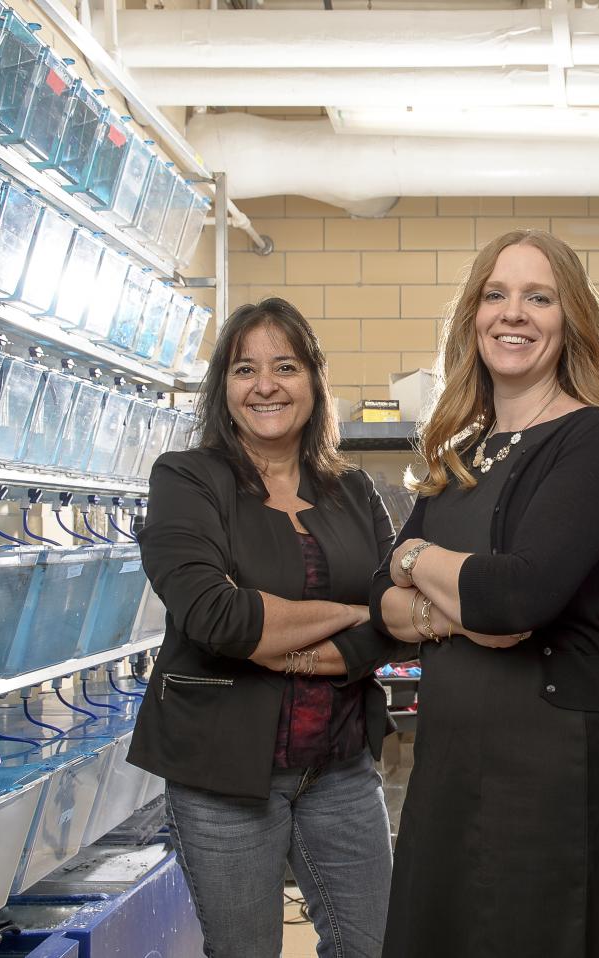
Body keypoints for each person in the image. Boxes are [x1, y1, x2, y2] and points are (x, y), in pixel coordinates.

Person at [363, 230, 599, 958]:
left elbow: (513, 599)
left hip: (544, 766)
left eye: (538, 297)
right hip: (452, 754)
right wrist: (445, 599)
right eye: (496, 295)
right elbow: (382, 604)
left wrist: (417, 558)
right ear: (473, 316)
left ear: (570, 318)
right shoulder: (464, 449)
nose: (513, 314)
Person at [129, 298, 399, 958]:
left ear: (314, 380)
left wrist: (307, 641)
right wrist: (356, 611)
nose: (267, 385)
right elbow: (216, 617)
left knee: (375, 946)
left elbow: (395, 617)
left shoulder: (353, 490)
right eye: (246, 369)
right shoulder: (186, 479)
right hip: (222, 775)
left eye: (286, 365)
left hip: (340, 768)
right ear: (224, 387)